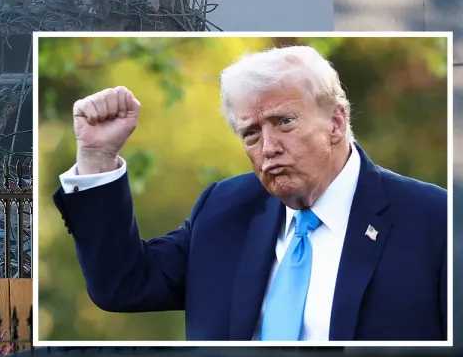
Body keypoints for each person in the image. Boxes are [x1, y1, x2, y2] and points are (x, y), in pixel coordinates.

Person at [52, 45, 448, 342]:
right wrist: (97, 157)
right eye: (252, 133)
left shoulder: (434, 219)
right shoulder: (225, 209)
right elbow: (122, 284)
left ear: (336, 122)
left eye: (284, 122)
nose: (269, 147)